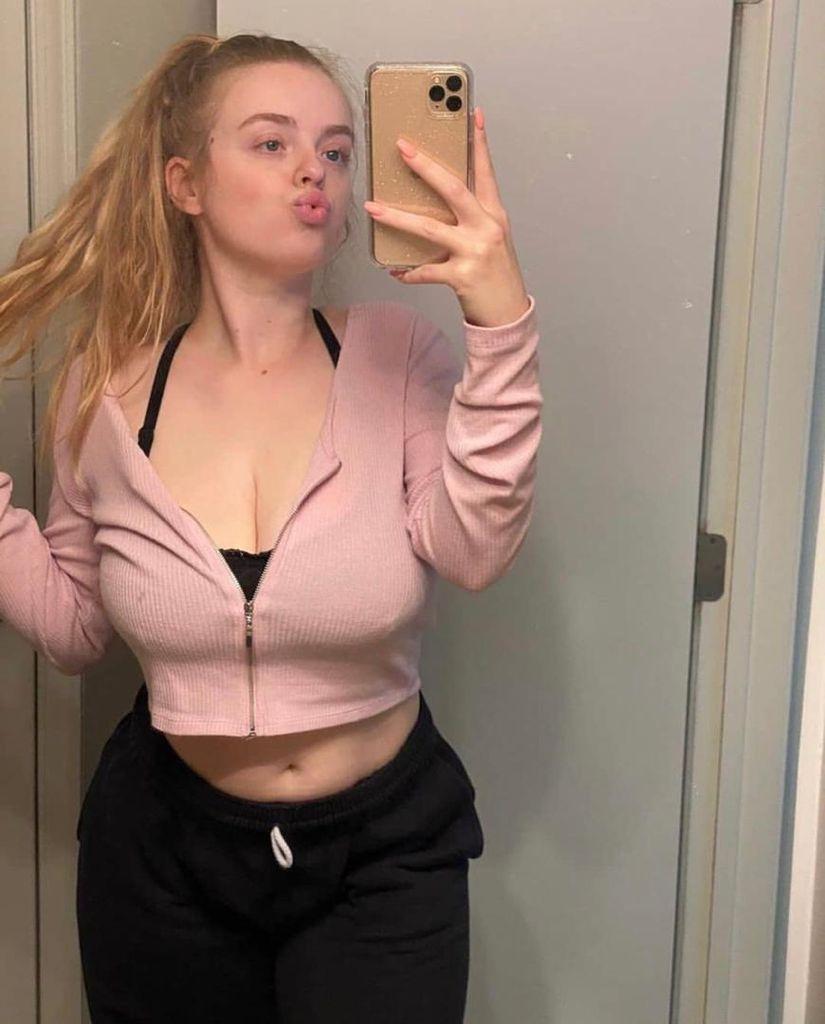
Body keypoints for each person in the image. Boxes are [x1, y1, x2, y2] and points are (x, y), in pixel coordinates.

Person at [0, 31, 542, 1024]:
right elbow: (75, 630)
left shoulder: (396, 357)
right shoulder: (106, 391)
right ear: (185, 184)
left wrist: (499, 322)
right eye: (271, 142)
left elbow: (474, 550)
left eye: (336, 150)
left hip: (382, 855)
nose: (314, 171)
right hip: (162, 855)